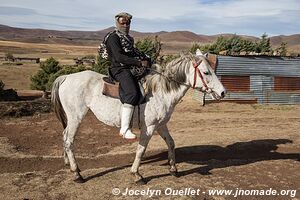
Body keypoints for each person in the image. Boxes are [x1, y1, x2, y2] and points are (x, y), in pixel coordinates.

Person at [104, 12, 150, 140]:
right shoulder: (113, 37)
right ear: (117, 23)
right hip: (119, 68)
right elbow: (119, 56)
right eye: (122, 22)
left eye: (127, 22)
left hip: (129, 67)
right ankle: (124, 129)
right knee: (132, 93)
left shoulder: (128, 38)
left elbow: (134, 52)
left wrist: (146, 58)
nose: (125, 25)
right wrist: (138, 62)